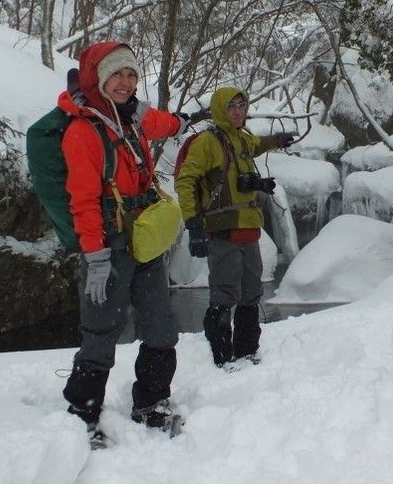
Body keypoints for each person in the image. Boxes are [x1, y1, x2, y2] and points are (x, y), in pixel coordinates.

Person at [59, 41, 187, 446]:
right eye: (117, 74)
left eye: (132, 75)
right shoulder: (83, 131)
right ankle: (82, 415)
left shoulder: (132, 119)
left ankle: (151, 404)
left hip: (143, 241)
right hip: (110, 245)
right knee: (101, 332)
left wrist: (182, 122)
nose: (126, 83)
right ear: (99, 76)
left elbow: (163, 124)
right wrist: (95, 255)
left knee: (161, 328)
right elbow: (81, 200)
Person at [175, 87, 295, 368]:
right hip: (222, 228)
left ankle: (247, 350)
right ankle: (221, 356)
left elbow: (256, 145)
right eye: (232, 107)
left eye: (242, 105)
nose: (239, 111)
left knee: (251, 292)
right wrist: (193, 224)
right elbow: (185, 181)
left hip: (249, 227)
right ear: (220, 110)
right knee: (225, 293)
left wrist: (276, 141)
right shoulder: (207, 142)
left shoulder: (240, 138)